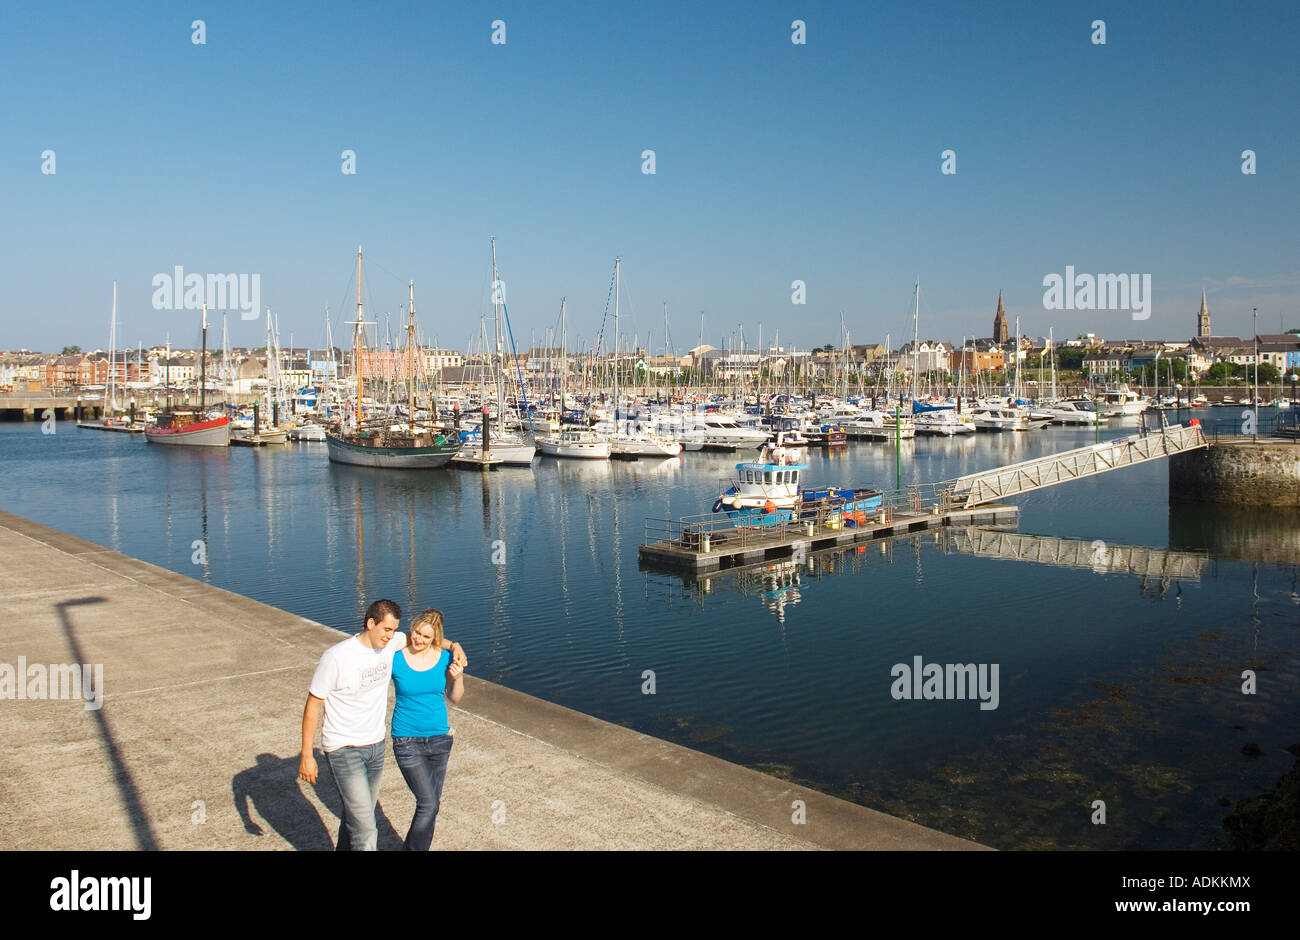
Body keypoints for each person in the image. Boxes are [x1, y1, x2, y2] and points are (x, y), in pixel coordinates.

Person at [298, 599, 465, 851]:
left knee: (355, 817)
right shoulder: (337, 657)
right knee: (367, 828)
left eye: (395, 630)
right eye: (388, 630)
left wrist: (454, 645)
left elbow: (429, 639)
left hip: (375, 746)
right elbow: (313, 704)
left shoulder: (390, 644)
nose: (395, 636)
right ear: (370, 624)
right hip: (344, 748)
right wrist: (307, 754)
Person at [390, 608, 464, 851]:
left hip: (440, 740)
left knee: (432, 804)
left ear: (436, 638)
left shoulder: (445, 658)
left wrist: (458, 678)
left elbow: (455, 698)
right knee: (428, 803)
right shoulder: (396, 657)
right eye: (416, 633)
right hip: (407, 740)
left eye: (426, 637)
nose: (419, 640)